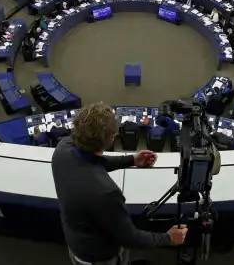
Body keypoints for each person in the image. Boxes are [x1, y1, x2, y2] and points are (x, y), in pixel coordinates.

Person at [52, 103, 187, 265]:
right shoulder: (105, 194)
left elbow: (91, 161)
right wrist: (169, 238)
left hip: (76, 241)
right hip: (98, 257)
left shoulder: (63, 149)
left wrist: (131, 160)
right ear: (111, 139)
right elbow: (130, 238)